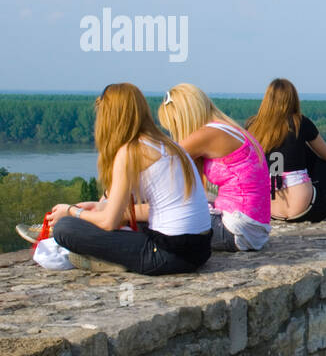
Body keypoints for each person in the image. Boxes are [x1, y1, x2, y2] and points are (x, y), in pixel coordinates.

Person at [48, 83, 212, 274]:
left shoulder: (130, 152)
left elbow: (109, 222)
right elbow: (166, 209)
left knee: (65, 228)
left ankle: (108, 262)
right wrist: (99, 207)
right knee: (115, 222)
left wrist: (71, 211)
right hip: (199, 250)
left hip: (167, 255)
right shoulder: (168, 146)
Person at [157, 83, 271, 252]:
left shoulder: (208, 134)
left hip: (236, 228)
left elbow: (160, 165)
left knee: (160, 217)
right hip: (251, 227)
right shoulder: (229, 128)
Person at [247, 78, 326, 222]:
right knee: (319, 156)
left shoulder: (253, 126)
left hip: (270, 209)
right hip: (303, 207)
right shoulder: (300, 122)